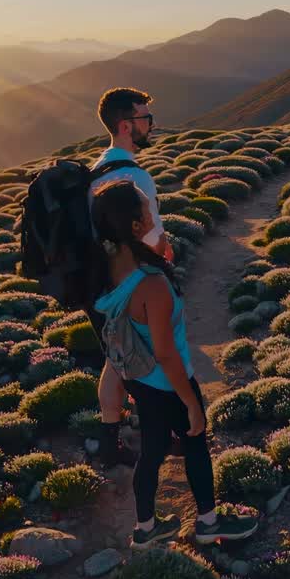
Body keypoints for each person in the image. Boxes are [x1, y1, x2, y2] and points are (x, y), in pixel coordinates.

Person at [90, 178, 259, 548]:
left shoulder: (109, 272)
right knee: (196, 443)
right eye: (146, 207)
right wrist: (189, 401)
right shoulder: (152, 284)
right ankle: (208, 522)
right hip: (168, 382)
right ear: (136, 225)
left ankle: (146, 529)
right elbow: (166, 352)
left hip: (138, 380)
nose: (153, 210)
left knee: (151, 450)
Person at [85, 87, 174, 467]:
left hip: (99, 283)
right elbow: (152, 239)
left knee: (116, 359)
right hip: (133, 285)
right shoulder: (133, 177)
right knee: (151, 361)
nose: (151, 126)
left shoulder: (98, 167)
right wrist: (167, 258)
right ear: (125, 125)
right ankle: (163, 438)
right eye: (145, 119)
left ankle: (109, 441)